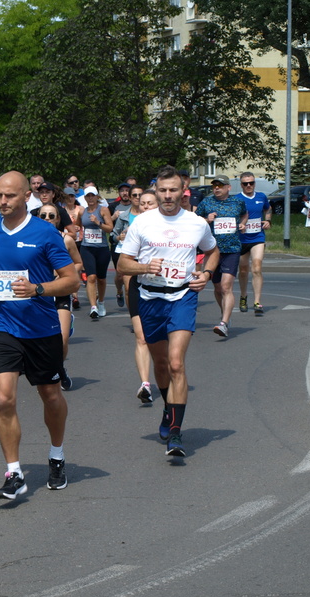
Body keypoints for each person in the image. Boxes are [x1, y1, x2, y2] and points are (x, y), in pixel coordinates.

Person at [0, 171, 78, 499]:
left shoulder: (45, 233)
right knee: (4, 398)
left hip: (41, 328)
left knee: (50, 396)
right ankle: (14, 472)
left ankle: (57, 455)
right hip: (4, 325)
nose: (2, 202)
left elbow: (71, 280)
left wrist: (37, 288)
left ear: (25, 197)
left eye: (10, 196)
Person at [117, 166, 219, 457]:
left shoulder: (196, 223)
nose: (167, 195)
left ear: (183, 190)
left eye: (173, 190)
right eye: (162, 190)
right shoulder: (143, 222)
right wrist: (143, 267)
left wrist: (207, 273)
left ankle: (175, 433)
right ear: (156, 190)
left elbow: (212, 251)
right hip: (150, 298)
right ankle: (168, 408)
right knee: (160, 365)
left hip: (183, 296)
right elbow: (124, 264)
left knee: (176, 363)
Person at [117, 187, 158, 404]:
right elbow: (124, 265)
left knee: (162, 341)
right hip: (139, 285)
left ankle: (167, 374)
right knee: (141, 337)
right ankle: (145, 384)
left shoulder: (171, 229)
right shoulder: (134, 229)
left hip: (165, 288)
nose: (146, 207)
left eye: (150, 203)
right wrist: (145, 267)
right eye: (143, 204)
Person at [36, 203, 83, 391]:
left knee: (61, 339)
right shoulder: (30, 240)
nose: (47, 219)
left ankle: (59, 369)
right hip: (38, 293)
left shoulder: (66, 240)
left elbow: (78, 263)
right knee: (39, 338)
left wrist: (64, 275)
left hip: (60, 292)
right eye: (43, 216)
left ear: (58, 219)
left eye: (51, 216)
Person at [195, 174, 247, 338]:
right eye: (214, 185)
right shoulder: (207, 202)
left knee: (226, 286)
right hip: (212, 250)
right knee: (217, 288)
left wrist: (243, 223)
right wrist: (206, 219)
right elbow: (195, 220)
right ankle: (225, 313)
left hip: (232, 249)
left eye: (220, 185)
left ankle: (224, 322)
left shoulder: (237, 202)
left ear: (228, 188)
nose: (216, 188)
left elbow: (244, 214)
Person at [236, 171, 272, 315]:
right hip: (242, 239)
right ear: (241, 185)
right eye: (245, 183)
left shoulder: (261, 196)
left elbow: (268, 209)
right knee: (243, 270)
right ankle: (243, 296)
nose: (249, 185)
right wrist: (240, 224)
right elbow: (231, 216)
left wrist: (268, 220)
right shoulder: (237, 199)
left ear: (254, 183)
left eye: (251, 183)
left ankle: (257, 301)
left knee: (256, 267)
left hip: (257, 237)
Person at [77, 185, 114, 319]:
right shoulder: (82, 212)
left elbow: (110, 229)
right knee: (91, 277)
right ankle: (93, 307)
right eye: (88, 196)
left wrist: (98, 222)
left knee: (101, 278)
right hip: (87, 248)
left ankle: (101, 302)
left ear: (97, 197)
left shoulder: (103, 210)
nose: (90, 198)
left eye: (93, 195)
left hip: (102, 248)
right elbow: (78, 224)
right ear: (85, 198)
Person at [109, 183, 133, 306]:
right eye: (122, 190)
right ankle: (119, 291)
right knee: (119, 276)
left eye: (126, 190)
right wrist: (114, 217)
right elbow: (107, 225)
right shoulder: (113, 206)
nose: (124, 193)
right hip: (119, 245)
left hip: (134, 248)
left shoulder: (138, 208)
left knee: (129, 278)